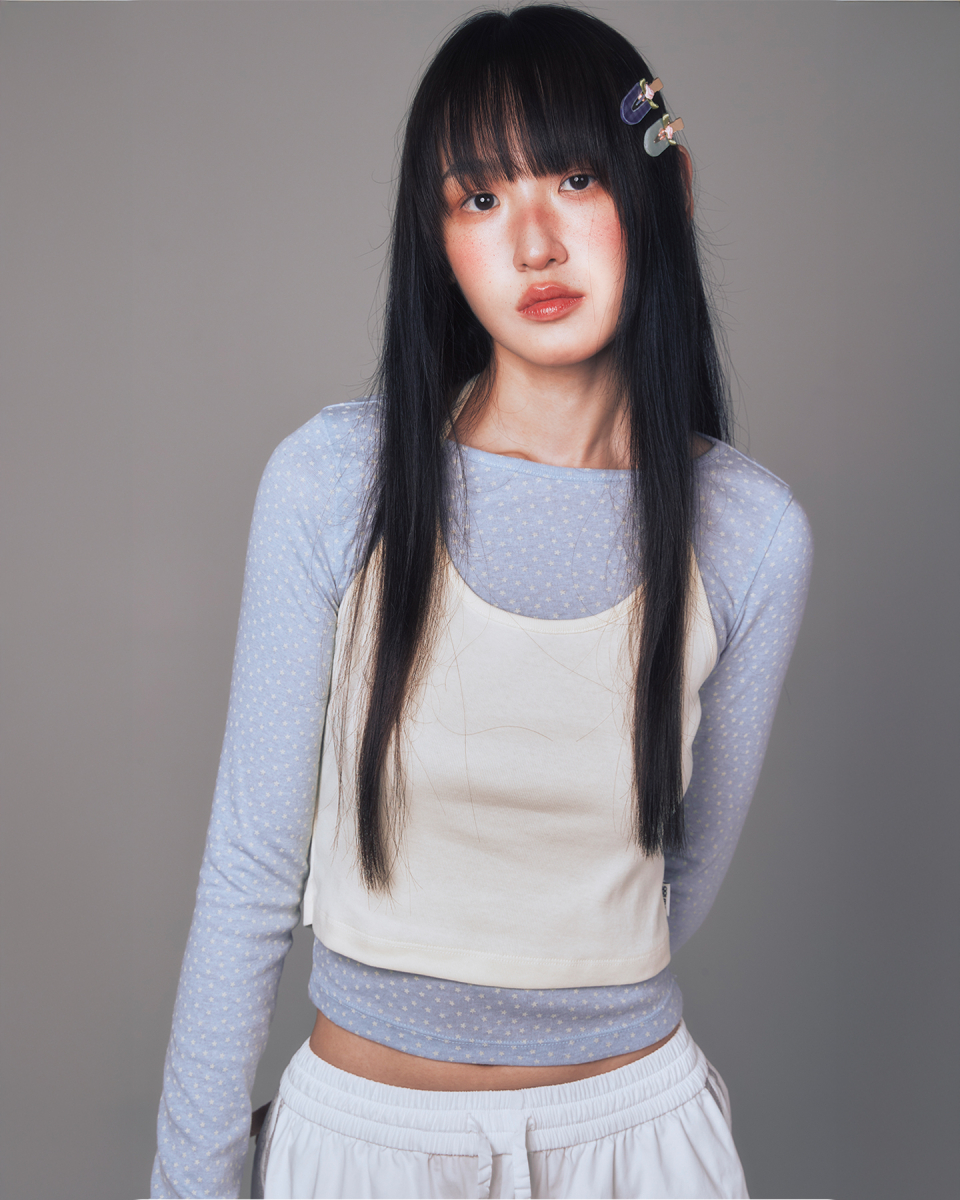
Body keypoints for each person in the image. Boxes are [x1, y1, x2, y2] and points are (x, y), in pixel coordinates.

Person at [152, 7, 812, 1198]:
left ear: (666, 191)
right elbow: (249, 872)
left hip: (638, 1142)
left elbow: (677, 875)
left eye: (577, 178)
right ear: (440, 238)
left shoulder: (751, 533)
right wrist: (192, 1181)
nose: (535, 243)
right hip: (365, 1146)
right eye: (480, 197)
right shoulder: (334, 482)